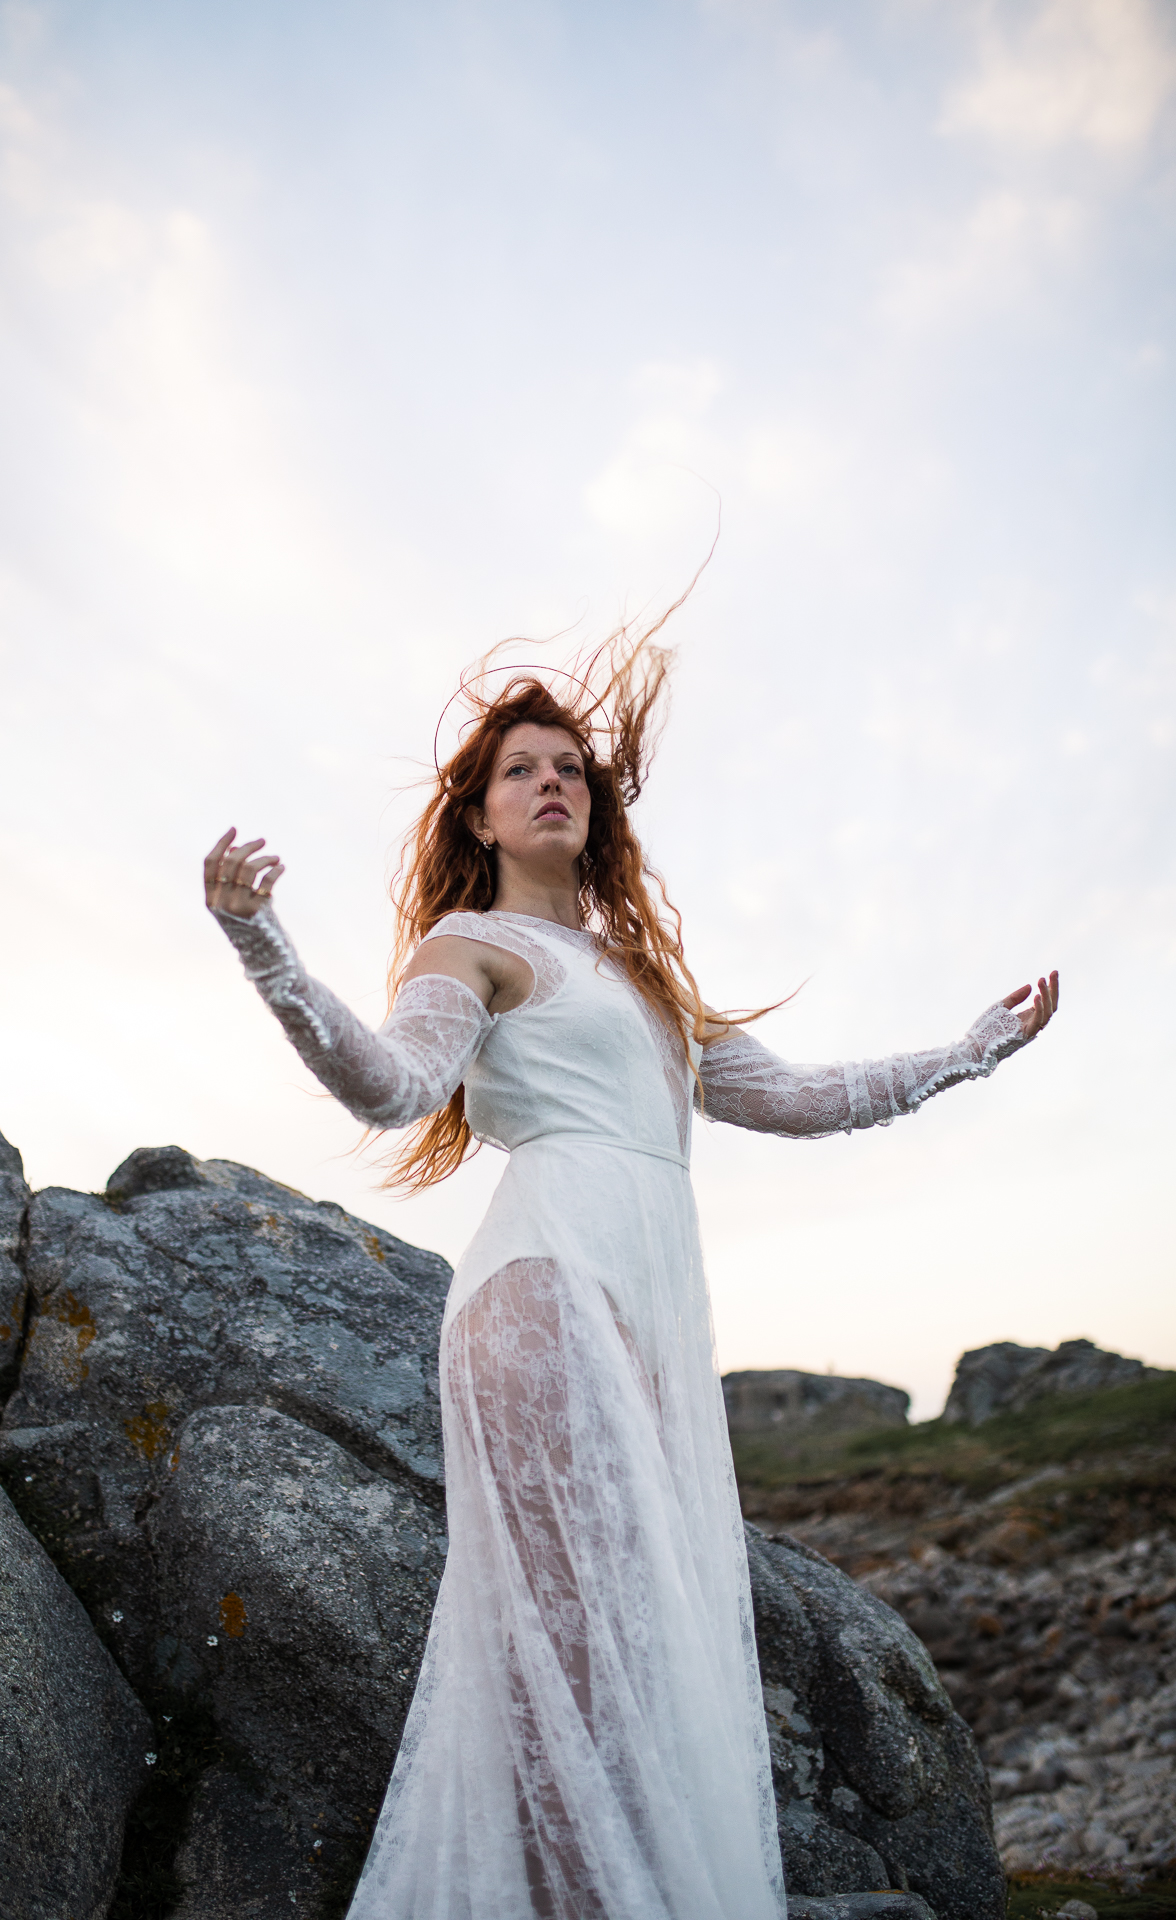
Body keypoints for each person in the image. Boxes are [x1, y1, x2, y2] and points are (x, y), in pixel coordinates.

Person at [204, 635, 1057, 1920]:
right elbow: (389, 1085)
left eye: (570, 771)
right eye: (519, 771)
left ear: (593, 812)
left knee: (631, 1662)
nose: (552, 784)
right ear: (479, 812)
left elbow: (807, 1099)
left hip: (647, 1318)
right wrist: (260, 941)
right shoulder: (470, 945)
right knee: (570, 1673)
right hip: (547, 1289)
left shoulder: (649, 981)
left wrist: (972, 1050)